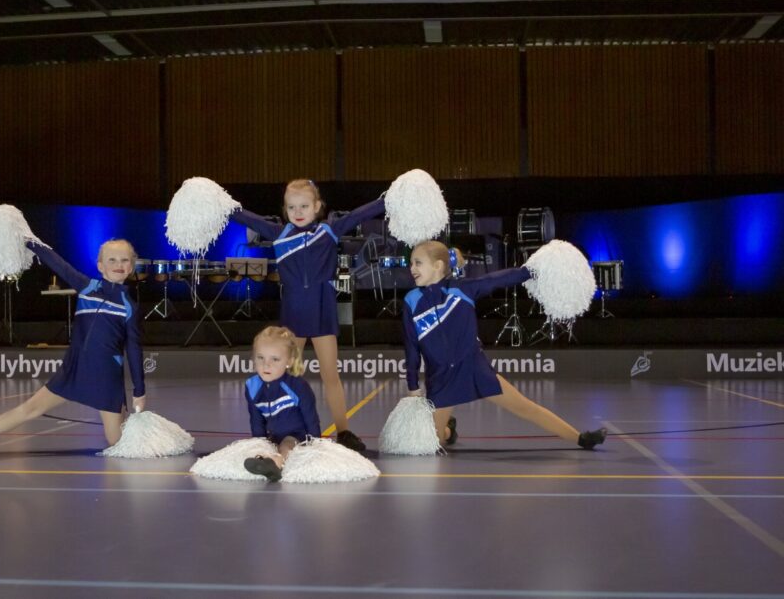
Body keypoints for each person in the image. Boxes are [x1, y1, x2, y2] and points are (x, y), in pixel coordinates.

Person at [0, 238, 145, 458]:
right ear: (100, 265)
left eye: (124, 260)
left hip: (105, 377)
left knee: (115, 442)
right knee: (30, 408)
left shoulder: (129, 306)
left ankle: (143, 432)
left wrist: (139, 390)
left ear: (131, 265)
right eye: (112, 259)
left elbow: (134, 348)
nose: (118, 264)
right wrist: (28, 241)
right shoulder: (86, 287)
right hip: (74, 371)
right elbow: (57, 263)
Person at [402, 240, 607, 450]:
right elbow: (411, 347)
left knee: (524, 407)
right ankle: (448, 430)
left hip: (474, 368)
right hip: (441, 378)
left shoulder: (462, 289)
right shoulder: (411, 301)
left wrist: (530, 272)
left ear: (437, 265)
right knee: (432, 442)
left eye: (418, 263)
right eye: (411, 264)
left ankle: (581, 438)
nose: (412, 269)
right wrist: (413, 386)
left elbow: (497, 279)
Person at [230, 179, 384, 452]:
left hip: (323, 309)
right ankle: (278, 430)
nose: (298, 211)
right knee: (284, 374)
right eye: (292, 207)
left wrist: (386, 201)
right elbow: (245, 216)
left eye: (304, 206)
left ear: (317, 207)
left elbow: (359, 214)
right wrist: (221, 204)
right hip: (293, 312)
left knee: (330, 375)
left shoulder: (328, 232)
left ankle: (344, 431)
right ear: (285, 209)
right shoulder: (280, 233)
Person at [243, 326, 320, 483]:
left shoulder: (297, 386)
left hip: (297, 435)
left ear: (289, 361)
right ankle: (263, 461)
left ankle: (276, 463)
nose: (266, 365)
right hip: (273, 435)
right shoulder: (252, 386)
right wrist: (259, 442)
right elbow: (256, 420)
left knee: (286, 444)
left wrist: (316, 444)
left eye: (275, 359)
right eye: (260, 358)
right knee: (265, 446)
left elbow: (311, 417)